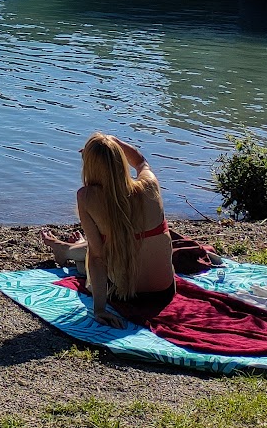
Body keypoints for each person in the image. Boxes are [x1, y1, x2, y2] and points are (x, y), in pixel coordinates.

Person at [40, 133, 174, 327]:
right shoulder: (150, 186)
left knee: (94, 253)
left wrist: (99, 309)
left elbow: (97, 257)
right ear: (120, 160)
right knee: (125, 239)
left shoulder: (86, 197)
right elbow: (141, 162)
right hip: (163, 293)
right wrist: (114, 141)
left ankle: (67, 250)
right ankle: (68, 249)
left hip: (123, 295)